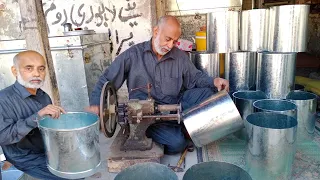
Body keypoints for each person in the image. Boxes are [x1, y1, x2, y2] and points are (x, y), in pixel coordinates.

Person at [86, 15, 229, 154]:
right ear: (156, 32)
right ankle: (163, 131)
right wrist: (96, 103)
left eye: (175, 41)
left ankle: (182, 127)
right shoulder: (133, 55)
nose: (170, 45)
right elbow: (107, 78)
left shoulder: (179, 56)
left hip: (177, 104)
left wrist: (214, 81)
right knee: (177, 144)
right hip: (148, 116)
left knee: (210, 94)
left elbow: (195, 77)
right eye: (168, 39)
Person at [0, 50, 67, 179]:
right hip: (24, 159)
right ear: (15, 71)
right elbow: (3, 137)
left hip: (46, 151)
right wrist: (37, 117)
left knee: (80, 168)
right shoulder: (3, 100)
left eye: (41, 69)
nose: (37, 74)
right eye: (29, 68)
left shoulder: (43, 96)